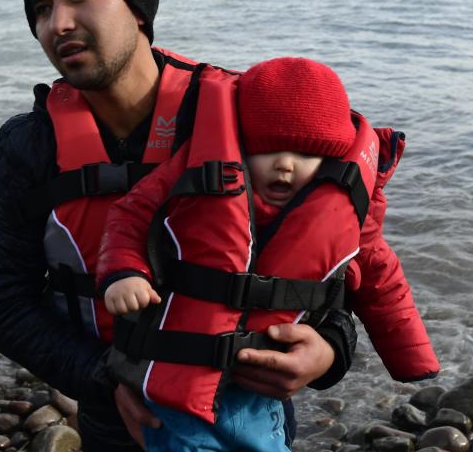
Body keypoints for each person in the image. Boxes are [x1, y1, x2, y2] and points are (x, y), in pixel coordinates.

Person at [0, 0, 359, 452]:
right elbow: (1, 302)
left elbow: (336, 247)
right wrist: (108, 379)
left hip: (244, 403)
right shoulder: (28, 145)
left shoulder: (238, 113)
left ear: (136, 7)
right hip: (116, 411)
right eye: (40, 8)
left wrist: (329, 351)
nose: (57, 23)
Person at [98, 57, 439, 450]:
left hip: (260, 386)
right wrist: (123, 272)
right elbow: (131, 214)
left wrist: (411, 357)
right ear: (241, 142)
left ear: (330, 160)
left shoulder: (347, 209)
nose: (285, 165)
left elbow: (382, 279)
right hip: (174, 376)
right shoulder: (196, 171)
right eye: (269, 149)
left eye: (306, 154)